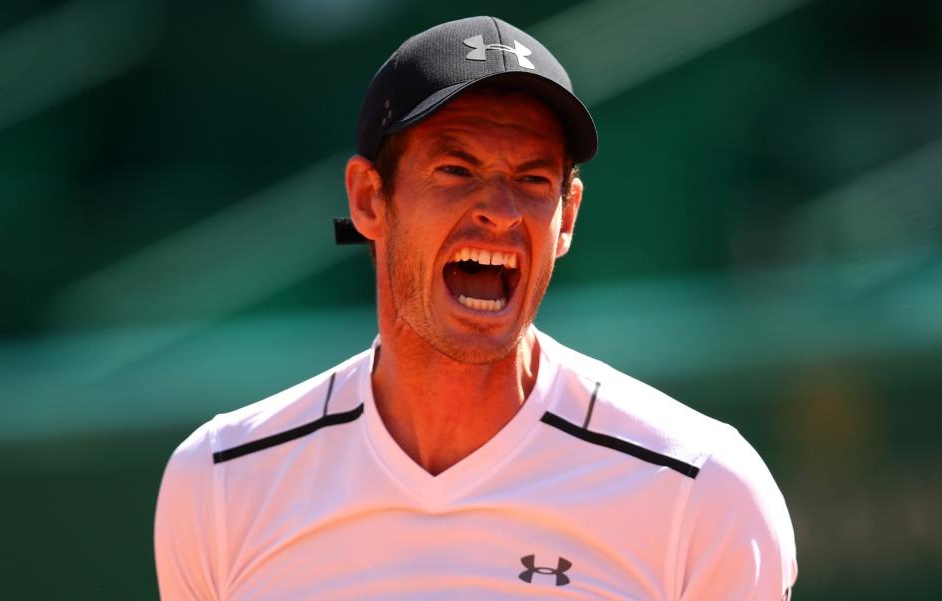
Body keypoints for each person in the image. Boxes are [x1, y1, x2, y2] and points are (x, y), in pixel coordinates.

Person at [154, 16, 797, 601]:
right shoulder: (218, 482)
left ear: (567, 216)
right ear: (369, 200)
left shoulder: (704, 489)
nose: (501, 210)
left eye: (533, 180)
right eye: (457, 170)